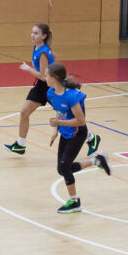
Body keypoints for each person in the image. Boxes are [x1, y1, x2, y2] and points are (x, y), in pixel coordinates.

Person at [5, 23, 100, 157]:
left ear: (44, 36)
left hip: (49, 86)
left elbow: (43, 76)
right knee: (24, 112)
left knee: (67, 115)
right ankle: (20, 144)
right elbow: (53, 57)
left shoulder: (43, 52)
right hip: (42, 86)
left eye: (36, 33)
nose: (33, 35)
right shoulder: (39, 47)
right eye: (32, 32)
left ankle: (91, 137)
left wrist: (28, 69)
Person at [45, 62, 111, 214]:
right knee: (62, 169)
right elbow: (59, 112)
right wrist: (55, 130)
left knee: (64, 167)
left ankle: (75, 202)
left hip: (78, 133)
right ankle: (98, 160)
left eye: (46, 75)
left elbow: (81, 121)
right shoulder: (51, 93)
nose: (44, 77)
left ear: (54, 78)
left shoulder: (71, 96)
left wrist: (59, 123)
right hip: (65, 132)